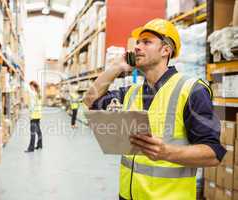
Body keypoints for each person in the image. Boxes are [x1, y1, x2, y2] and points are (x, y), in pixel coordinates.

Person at [83, 18, 226, 200]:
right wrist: (116, 67)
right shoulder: (131, 92)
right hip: (127, 196)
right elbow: (90, 100)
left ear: (166, 50)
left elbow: (213, 153)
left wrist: (167, 152)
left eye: (147, 41)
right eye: (138, 42)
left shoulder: (191, 90)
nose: (137, 47)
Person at [25, 81, 43, 152]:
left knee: (32, 132)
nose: (30, 88)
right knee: (38, 130)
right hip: (38, 115)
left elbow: (32, 106)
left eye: (30, 86)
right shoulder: (38, 94)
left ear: (33, 86)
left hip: (34, 115)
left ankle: (31, 148)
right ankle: (40, 145)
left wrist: (30, 114)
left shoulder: (33, 94)